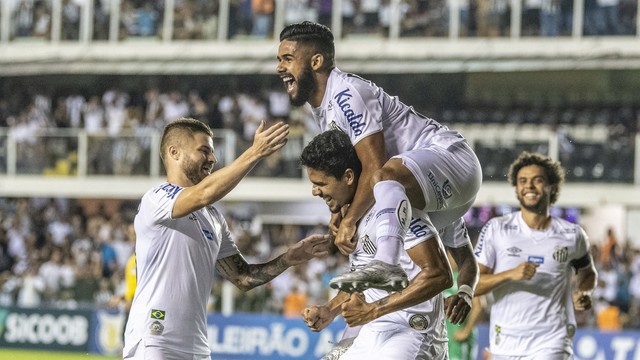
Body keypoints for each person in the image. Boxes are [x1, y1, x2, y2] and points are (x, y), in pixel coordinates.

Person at [277, 21, 482, 293]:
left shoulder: (345, 93)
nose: (279, 67)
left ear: (316, 61)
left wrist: (349, 220)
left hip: (451, 158)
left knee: (382, 179)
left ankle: (387, 264)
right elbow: (355, 173)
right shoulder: (323, 109)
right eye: (279, 60)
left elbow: (374, 166)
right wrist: (340, 212)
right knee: (379, 208)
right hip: (434, 194)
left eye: (287, 59)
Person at [123, 118, 330, 359]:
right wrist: (254, 153)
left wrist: (289, 258)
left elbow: (243, 277)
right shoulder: (156, 198)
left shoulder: (213, 217)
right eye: (204, 150)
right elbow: (204, 194)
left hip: (197, 347)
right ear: (174, 152)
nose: (212, 159)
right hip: (155, 339)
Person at [299, 130, 479, 359]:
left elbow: (439, 274)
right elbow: (365, 276)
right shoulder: (349, 216)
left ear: (348, 177)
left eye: (320, 184)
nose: (315, 191)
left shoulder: (395, 205)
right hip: (373, 329)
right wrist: (329, 309)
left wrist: (465, 291)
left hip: (412, 332)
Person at [473, 151, 598, 359]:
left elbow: (588, 273)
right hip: (506, 341)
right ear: (516, 188)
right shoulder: (497, 229)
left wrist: (584, 292)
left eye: (537, 180)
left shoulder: (572, 235)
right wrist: (509, 274)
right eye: (523, 181)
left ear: (552, 187)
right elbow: (473, 285)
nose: (529, 186)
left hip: (552, 340)